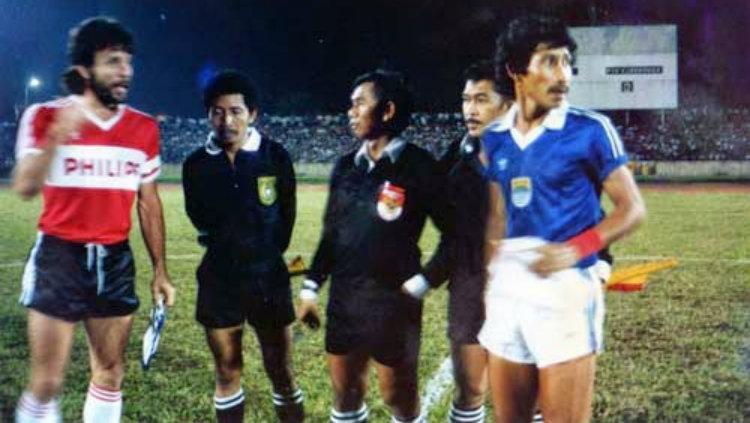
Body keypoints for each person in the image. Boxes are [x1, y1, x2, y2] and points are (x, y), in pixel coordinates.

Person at [479, 15, 646, 423]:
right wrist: (489, 266)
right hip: (508, 290)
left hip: (566, 289)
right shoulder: (495, 137)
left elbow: (632, 208)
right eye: (550, 61)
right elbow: (498, 213)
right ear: (516, 70)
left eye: (567, 62)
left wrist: (575, 252)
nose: (564, 75)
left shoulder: (590, 129)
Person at [12, 16, 175, 423]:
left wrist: (160, 271)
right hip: (58, 255)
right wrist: (58, 135)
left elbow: (148, 202)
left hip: (115, 258)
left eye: (128, 62)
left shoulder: (142, 128)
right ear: (85, 70)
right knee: (47, 381)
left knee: (110, 372)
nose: (126, 72)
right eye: (113, 62)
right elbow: (25, 186)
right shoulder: (43, 115)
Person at [297, 69, 451, 423]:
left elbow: (454, 235)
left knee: (397, 395)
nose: (350, 112)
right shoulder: (344, 167)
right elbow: (330, 235)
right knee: (345, 392)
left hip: (393, 301)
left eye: (359, 104)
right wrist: (309, 287)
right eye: (350, 105)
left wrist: (424, 281)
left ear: (388, 111)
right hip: (345, 298)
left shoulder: (420, 166)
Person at [182, 70, 303, 423]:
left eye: (235, 111)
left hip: (268, 278)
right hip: (219, 279)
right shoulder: (196, 165)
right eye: (217, 112)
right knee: (227, 369)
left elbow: (286, 218)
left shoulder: (275, 157)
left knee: (280, 369)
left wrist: (262, 252)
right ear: (208, 115)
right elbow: (199, 217)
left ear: (253, 114)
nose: (226, 120)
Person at [429, 60, 512, 423]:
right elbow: (438, 216)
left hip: (525, 288)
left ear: (507, 104)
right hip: (469, 286)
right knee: (470, 391)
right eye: (466, 99)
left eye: (481, 99)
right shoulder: (455, 157)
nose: (470, 109)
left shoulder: (539, 152)